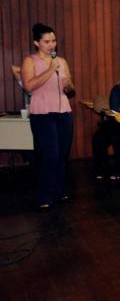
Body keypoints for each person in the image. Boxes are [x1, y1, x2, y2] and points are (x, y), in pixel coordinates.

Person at [21, 23, 74, 209]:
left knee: (62, 154)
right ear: (37, 42)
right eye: (47, 41)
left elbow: (70, 88)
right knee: (49, 155)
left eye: (53, 41)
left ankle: (58, 191)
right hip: (43, 113)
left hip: (63, 111)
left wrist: (68, 85)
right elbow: (28, 86)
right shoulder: (30, 61)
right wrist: (50, 69)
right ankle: (44, 195)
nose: (51, 45)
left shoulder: (62, 61)